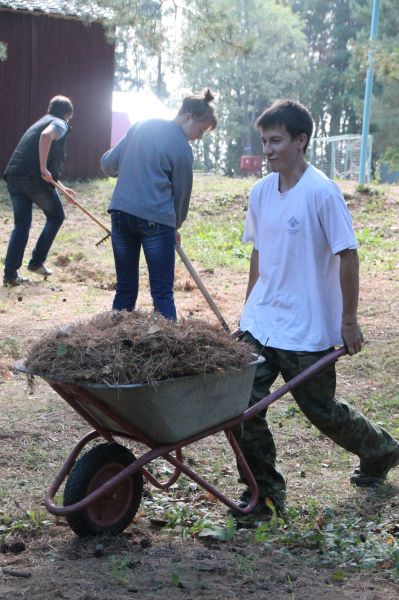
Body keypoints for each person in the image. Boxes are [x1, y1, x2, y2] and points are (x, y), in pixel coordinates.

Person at [234, 99, 399, 521]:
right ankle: (264, 495)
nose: (268, 150)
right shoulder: (260, 193)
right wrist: (248, 312)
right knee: (239, 407)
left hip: (307, 328)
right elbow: (258, 253)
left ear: (300, 141)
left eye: (276, 141)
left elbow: (348, 255)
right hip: (263, 322)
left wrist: (349, 321)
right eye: (264, 141)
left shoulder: (322, 193)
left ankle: (381, 451)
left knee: (321, 411)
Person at [100, 89, 217, 320]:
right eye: (201, 130)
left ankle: (115, 348)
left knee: (125, 287)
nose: (199, 137)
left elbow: (108, 165)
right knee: (162, 291)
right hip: (156, 221)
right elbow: (182, 195)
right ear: (189, 117)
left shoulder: (141, 125)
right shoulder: (182, 148)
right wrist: (175, 226)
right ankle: (168, 349)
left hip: (121, 215)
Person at [3, 95, 75, 287]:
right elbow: (46, 137)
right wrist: (43, 168)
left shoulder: (41, 121)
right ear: (68, 114)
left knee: (22, 224)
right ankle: (36, 262)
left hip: (14, 176)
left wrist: (60, 184)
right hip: (33, 178)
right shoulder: (59, 123)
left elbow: (43, 150)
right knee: (56, 217)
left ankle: (10, 275)